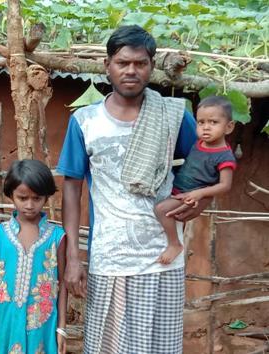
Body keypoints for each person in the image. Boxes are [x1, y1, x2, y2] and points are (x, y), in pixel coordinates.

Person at [58, 25, 207, 353]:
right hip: (110, 256)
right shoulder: (85, 121)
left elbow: (203, 169)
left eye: (140, 63)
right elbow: (71, 189)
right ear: (107, 65)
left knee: (160, 347)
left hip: (162, 258)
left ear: (151, 67)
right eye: (123, 62)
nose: (131, 70)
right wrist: (72, 257)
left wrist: (197, 205)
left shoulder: (172, 116)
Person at [0, 159, 67, 354]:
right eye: (22, 198)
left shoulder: (57, 237)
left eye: (36, 199)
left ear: (46, 197)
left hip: (43, 324)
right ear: (11, 195)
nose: (29, 205)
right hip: (4, 320)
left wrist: (61, 327)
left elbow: (61, 284)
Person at [155, 96, 236, 264]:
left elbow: (225, 185)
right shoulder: (199, 143)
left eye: (213, 122)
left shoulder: (225, 156)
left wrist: (200, 194)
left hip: (189, 195)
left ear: (229, 127)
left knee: (161, 210)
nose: (206, 128)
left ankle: (174, 244)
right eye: (201, 122)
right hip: (177, 189)